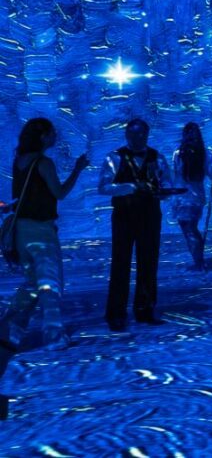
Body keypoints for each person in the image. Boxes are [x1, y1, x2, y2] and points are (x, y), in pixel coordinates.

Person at [1, 119, 90, 374]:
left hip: (21, 230)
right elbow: (59, 193)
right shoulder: (43, 163)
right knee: (50, 283)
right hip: (41, 231)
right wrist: (78, 169)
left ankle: (8, 328)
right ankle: (54, 336)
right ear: (42, 136)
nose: (55, 136)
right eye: (52, 133)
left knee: (32, 283)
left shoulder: (19, 161)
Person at [98, 119, 171, 331]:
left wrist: (163, 191)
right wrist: (132, 186)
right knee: (120, 263)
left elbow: (166, 183)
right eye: (133, 135)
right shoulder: (114, 157)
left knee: (149, 262)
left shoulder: (157, 157)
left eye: (141, 135)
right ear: (126, 135)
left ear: (147, 135)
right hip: (124, 215)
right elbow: (103, 187)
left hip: (150, 215)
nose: (137, 138)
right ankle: (116, 313)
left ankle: (145, 309)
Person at [171, 122, 212, 271]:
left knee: (189, 230)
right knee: (192, 229)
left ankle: (199, 261)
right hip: (194, 196)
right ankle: (199, 260)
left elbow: (176, 176)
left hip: (183, 196)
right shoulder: (205, 153)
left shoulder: (179, 153)